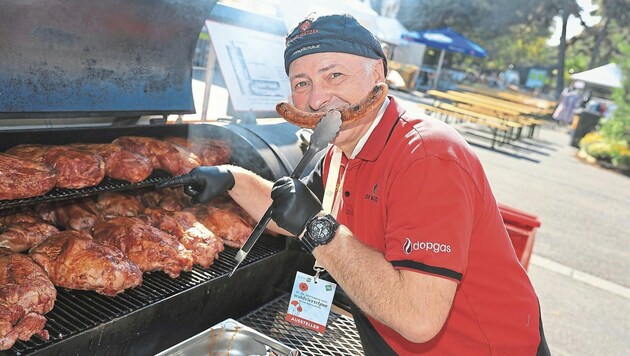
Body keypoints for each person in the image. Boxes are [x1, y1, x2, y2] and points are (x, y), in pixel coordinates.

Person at [159, 14, 550, 355]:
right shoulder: (340, 145)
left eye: (334, 75)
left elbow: (418, 318)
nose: (317, 99)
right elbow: (290, 216)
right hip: (386, 337)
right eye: (301, 82)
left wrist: (318, 228)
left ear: (377, 73)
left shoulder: (428, 158)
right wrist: (232, 178)